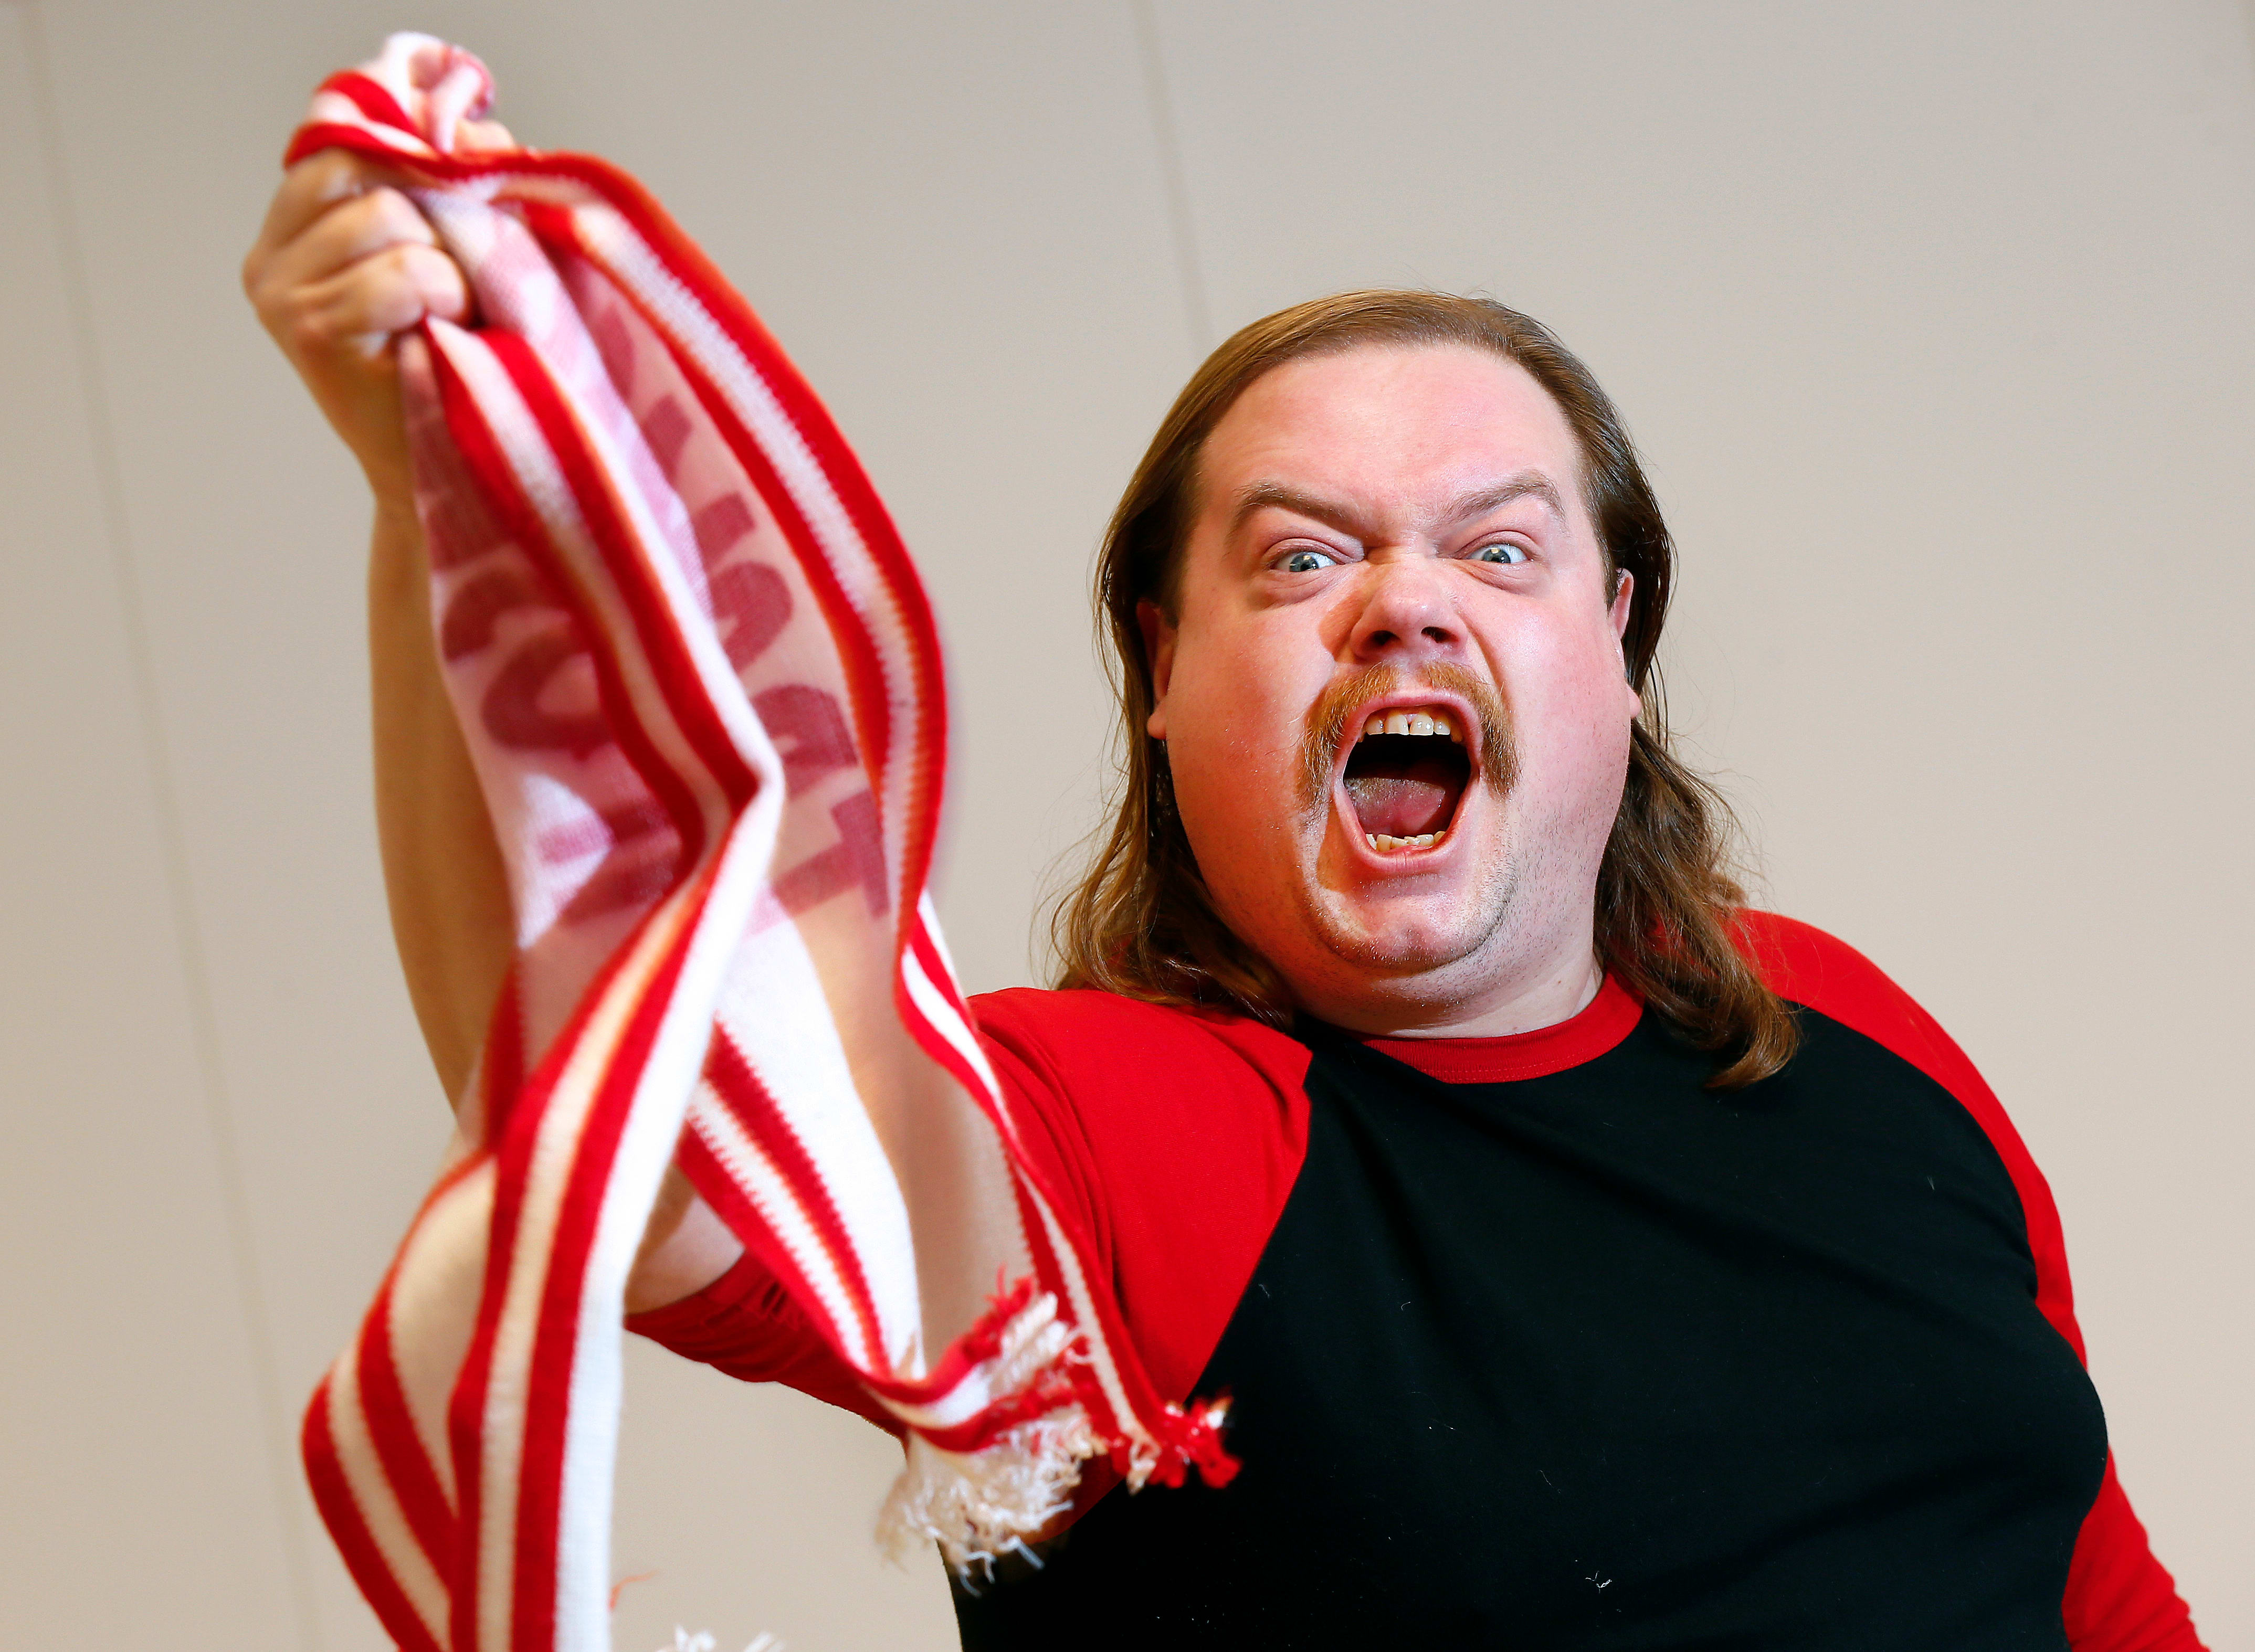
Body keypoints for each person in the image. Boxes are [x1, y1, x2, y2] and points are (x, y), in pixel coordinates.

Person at [244, 142, 2205, 1650]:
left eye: (1497, 550)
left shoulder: (1841, 1024)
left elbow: (2092, 1576)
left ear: (1619, 643)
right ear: (1163, 674)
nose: (1404, 602)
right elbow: (614, 1107)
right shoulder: (1108, 1140)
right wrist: (434, 490)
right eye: (1301, 561)